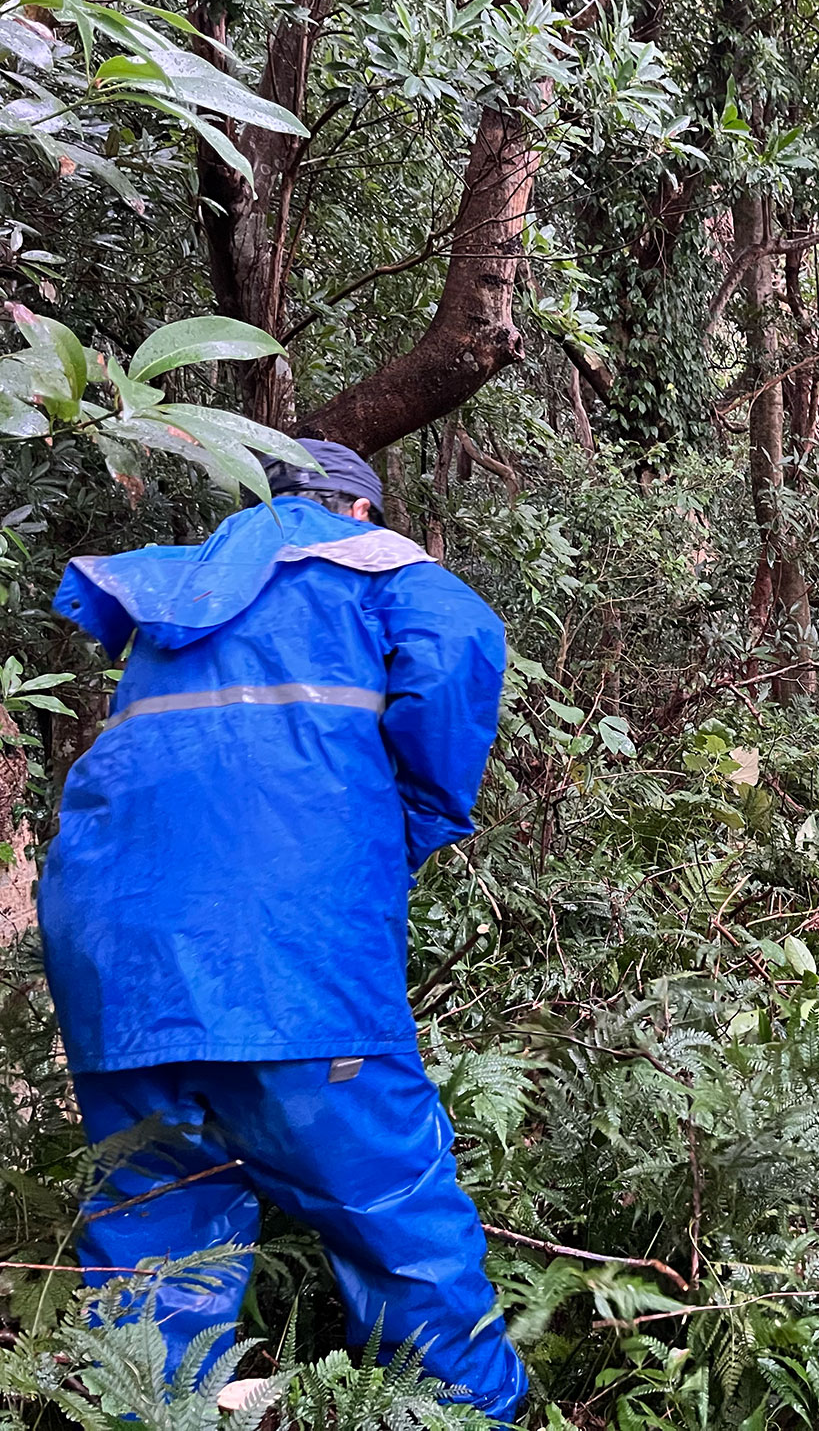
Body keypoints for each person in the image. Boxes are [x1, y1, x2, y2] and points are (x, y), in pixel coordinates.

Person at [38, 440, 527, 1418]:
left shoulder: (178, 592)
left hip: (114, 969)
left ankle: (140, 1414)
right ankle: (466, 1416)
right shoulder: (381, 571)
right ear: (356, 510)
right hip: (289, 962)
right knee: (396, 1219)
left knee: (152, 1246)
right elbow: (462, 654)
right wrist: (397, 831)